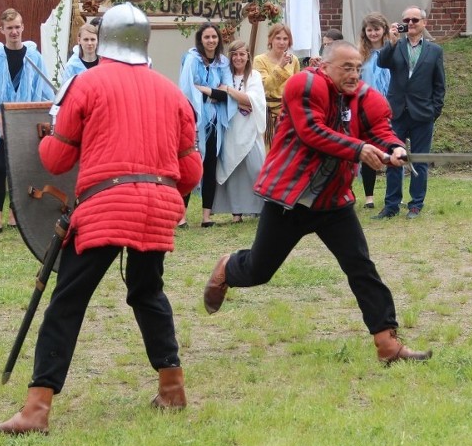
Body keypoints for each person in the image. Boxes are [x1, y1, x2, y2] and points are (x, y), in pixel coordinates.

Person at [0, 3, 203, 436]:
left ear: (103, 40)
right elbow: (193, 171)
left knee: (67, 302)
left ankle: (36, 410)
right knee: (148, 294)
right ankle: (173, 387)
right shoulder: (171, 92)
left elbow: (56, 158)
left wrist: (51, 133)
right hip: (158, 207)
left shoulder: (85, 84)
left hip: (105, 207)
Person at [203, 40, 432, 365]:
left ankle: (388, 345)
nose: (354, 74)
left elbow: (380, 129)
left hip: (333, 202)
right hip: (291, 199)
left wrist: (394, 147)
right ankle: (228, 267)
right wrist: (359, 149)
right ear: (324, 67)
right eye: (346, 67)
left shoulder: (365, 98)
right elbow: (313, 131)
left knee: (361, 267)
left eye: (357, 67)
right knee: (259, 270)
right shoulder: (304, 85)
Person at [0, 9, 55, 236]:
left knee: (20, 169)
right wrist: (0, 121)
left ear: (22, 27)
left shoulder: (33, 56)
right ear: (2, 30)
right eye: (9, 28)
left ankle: (14, 214)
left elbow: (42, 90)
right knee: (0, 167)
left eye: (17, 27)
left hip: (24, 120)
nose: (14, 32)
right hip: (2, 119)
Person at [373, 6, 446, 220]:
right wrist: (391, 41)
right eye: (407, 20)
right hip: (396, 113)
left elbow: (439, 84)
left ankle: (416, 204)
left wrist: (434, 111)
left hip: (423, 114)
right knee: (394, 160)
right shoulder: (396, 45)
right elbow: (382, 62)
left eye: (415, 20)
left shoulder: (434, 51)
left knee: (419, 160)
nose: (411, 23)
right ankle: (391, 205)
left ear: (424, 23)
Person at [179, 23, 230, 227]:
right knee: (189, 164)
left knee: (210, 164)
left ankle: (206, 216)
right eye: (207, 37)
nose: (211, 41)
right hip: (194, 118)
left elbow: (225, 92)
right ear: (200, 39)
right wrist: (213, 92)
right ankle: (181, 215)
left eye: (214, 37)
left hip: (215, 120)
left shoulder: (222, 62)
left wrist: (205, 90)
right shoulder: (191, 59)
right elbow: (187, 89)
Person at [212, 40, 266, 223]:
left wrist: (229, 92)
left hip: (250, 129)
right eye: (234, 54)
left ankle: (263, 208)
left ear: (248, 56)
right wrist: (238, 99)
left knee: (257, 168)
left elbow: (252, 100)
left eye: (242, 54)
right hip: (231, 128)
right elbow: (216, 97)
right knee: (233, 170)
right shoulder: (223, 76)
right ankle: (236, 213)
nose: (238, 58)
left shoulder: (254, 76)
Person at [357, 13, 392, 209]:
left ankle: (393, 193)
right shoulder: (360, 55)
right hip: (367, 107)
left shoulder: (393, 51)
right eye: (369, 30)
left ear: (384, 30)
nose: (373, 33)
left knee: (392, 150)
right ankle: (369, 196)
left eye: (377, 29)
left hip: (389, 107)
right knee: (369, 151)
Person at [253, 23, 300, 149]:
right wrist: (280, 67)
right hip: (268, 114)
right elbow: (265, 86)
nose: (282, 42)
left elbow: (297, 86)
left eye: (285, 39)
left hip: (287, 113)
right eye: (278, 38)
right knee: (268, 150)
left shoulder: (293, 60)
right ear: (270, 40)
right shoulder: (259, 60)